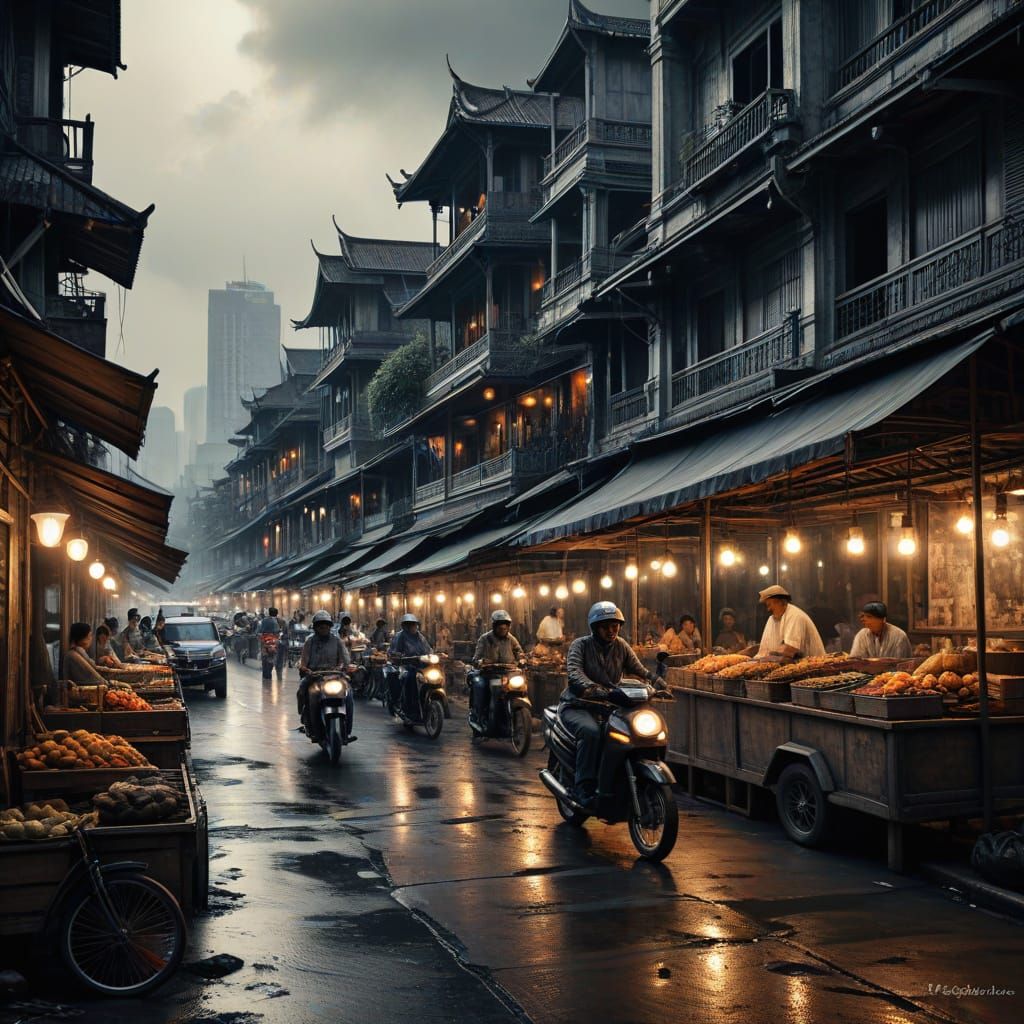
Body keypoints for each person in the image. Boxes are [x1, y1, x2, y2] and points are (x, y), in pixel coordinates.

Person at [561, 601, 663, 808]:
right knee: (592, 733)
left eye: (614, 626)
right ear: (595, 628)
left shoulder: (621, 645)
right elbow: (574, 672)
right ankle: (584, 787)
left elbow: (639, 669)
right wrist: (591, 687)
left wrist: (656, 680)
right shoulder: (580, 645)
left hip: (609, 706)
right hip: (579, 705)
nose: (611, 631)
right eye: (606, 627)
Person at [298, 610, 356, 741]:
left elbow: (346, 659)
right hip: (315, 676)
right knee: (303, 690)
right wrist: (304, 669)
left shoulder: (337, 641)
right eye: (320, 625)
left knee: (349, 695)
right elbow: (303, 661)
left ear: (330, 626)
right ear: (315, 627)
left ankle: (347, 732)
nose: (323, 627)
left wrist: (348, 667)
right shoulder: (310, 642)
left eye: (325, 624)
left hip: (335, 676)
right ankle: (308, 721)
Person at [471, 609, 525, 725]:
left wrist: (522, 659)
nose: (503, 630)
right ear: (494, 626)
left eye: (505, 628)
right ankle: (481, 716)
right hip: (490, 674)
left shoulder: (511, 639)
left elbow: (519, 652)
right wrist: (481, 662)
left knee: (520, 688)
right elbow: (476, 658)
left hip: (509, 673)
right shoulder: (484, 639)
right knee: (481, 687)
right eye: (500, 628)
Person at [755, 585, 825, 659]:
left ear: (781, 602)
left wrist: (769, 658)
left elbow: (790, 649)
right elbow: (764, 650)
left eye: (769, 605)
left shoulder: (795, 615)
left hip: (815, 666)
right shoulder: (772, 619)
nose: (768, 609)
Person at [388, 613, 433, 713]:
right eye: (410, 625)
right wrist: (399, 655)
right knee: (409, 678)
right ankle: (408, 707)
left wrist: (431, 655)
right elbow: (394, 651)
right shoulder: (400, 636)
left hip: (420, 665)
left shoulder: (420, 636)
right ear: (405, 626)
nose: (413, 627)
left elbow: (428, 648)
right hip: (406, 665)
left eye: (414, 624)